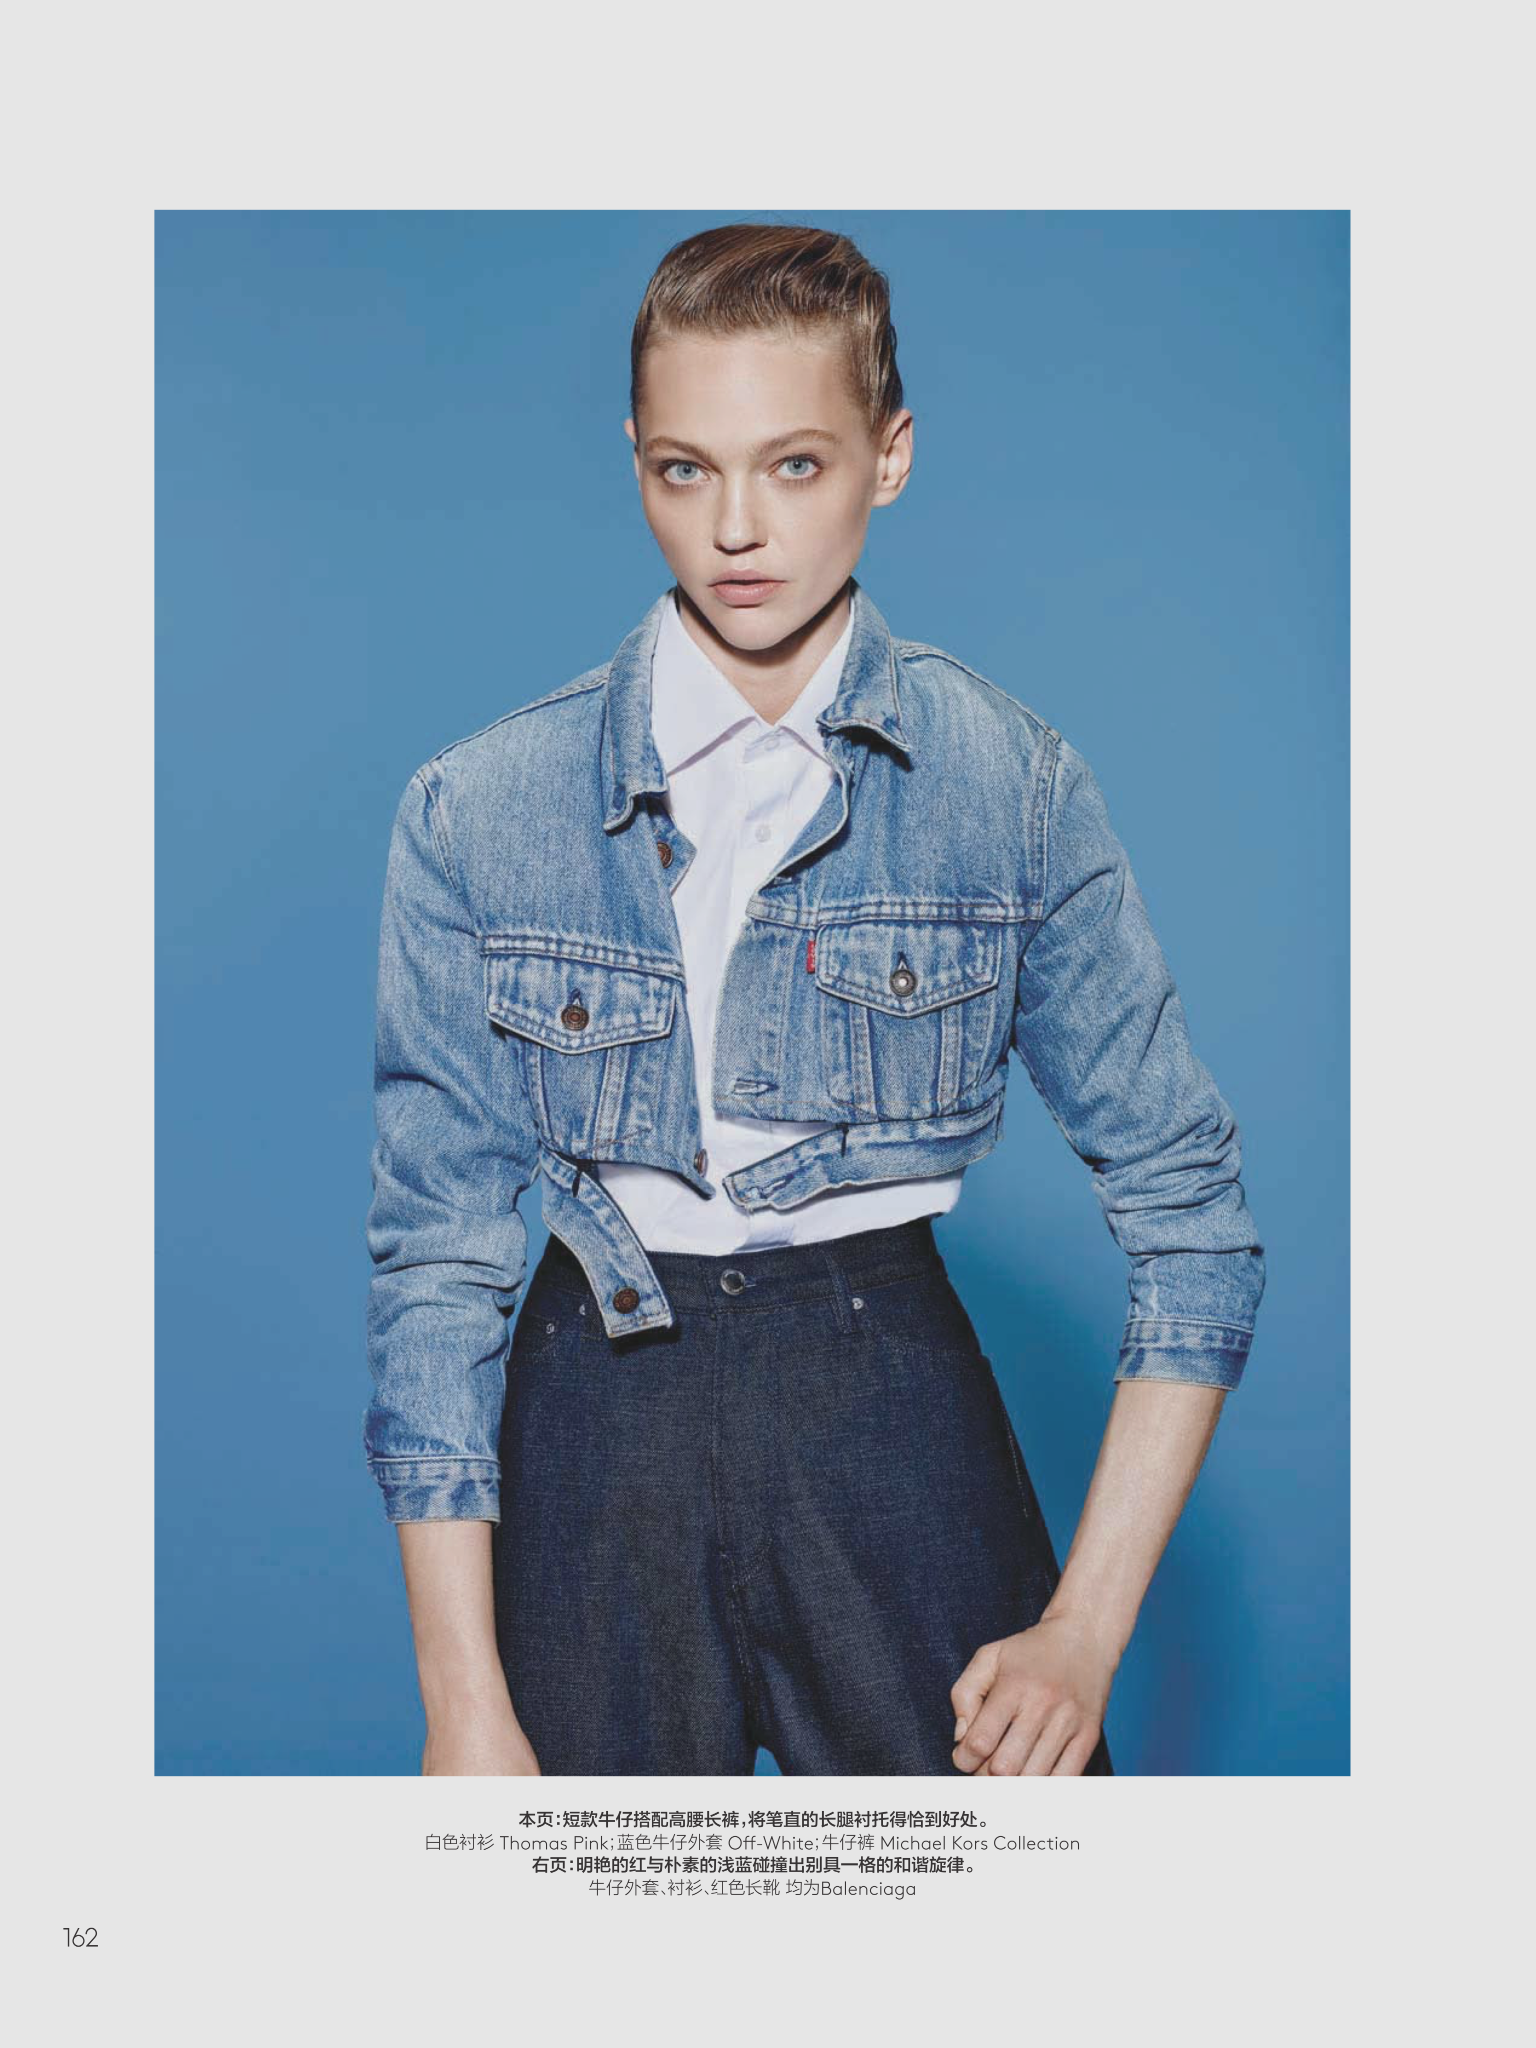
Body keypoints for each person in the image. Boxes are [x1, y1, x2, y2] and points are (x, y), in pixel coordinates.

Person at [363, 221, 1266, 1777]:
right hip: (593, 1424)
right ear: (635, 463)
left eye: (794, 465)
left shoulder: (1007, 785)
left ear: (888, 456)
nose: (736, 529)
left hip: (888, 1413)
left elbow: (1195, 1219)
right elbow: (437, 1260)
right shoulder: (480, 809)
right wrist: (462, 1700)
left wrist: (1086, 1628)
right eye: (685, 470)